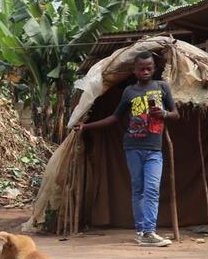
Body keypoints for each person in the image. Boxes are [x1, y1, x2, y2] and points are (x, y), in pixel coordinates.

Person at [75, 51, 179, 247]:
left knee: (152, 189)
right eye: (141, 69)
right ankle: (141, 231)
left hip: (154, 149)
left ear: (154, 68)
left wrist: (163, 113)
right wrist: (86, 126)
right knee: (138, 189)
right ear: (134, 71)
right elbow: (114, 118)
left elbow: (176, 114)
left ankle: (149, 231)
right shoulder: (129, 92)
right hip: (132, 146)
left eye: (149, 68)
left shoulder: (162, 87)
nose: (145, 72)